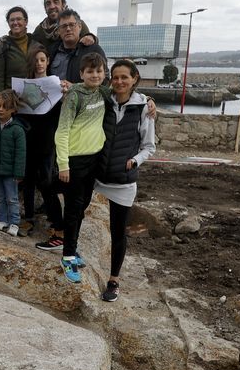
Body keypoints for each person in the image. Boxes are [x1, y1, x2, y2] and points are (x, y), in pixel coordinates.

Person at [95, 59, 155, 302]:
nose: (119, 82)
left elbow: (149, 146)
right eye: (115, 77)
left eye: (124, 77)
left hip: (123, 180)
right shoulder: (103, 100)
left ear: (135, 79)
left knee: (118, 231)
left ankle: (114, 280)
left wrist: (135, 160)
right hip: (97, 176)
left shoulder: (143, 108)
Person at [53, 51, 109, 284]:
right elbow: (62, 130)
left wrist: (150, 101)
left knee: (82, 206)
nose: (95, 75)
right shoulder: (75, 95)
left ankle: (72, 248)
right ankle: (67, 256)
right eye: (90, 71)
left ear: (104, 73)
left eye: (98, 71)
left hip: (94, 159)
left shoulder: (103, 92)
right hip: (74, 160)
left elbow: (127, 94)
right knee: (74, 209)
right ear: (81, 74)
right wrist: (63, 164)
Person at [22, 44, 58, 237]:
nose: (39, 64)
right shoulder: (24, 85)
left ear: (48, 62)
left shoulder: (55, 84)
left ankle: (53, 221)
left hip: (47, 138)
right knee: (27, 181)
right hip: (29, 137)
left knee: (46, 180)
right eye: (35, 61)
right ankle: (28, 218)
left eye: (42, 60)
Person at [0, 89, 27, 237]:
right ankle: (2, 220)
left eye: (4, 107)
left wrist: (19, 173)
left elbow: (21, 154)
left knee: (12, 198)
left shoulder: (17, 130)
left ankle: (14, 223)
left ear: (12, 109)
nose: (0, 109)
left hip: (11, 172)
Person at [47, 9, 106, 88]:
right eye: (64, 26)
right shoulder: (51, 51)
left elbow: (104, 81)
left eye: (72, 25)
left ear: (80, 26)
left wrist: (75, 89)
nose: (68, 29)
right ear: (58, 31)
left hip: (84, 100)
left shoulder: (93, 50)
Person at [0, 6, 32, 91]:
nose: (15, 22)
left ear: (26, 21)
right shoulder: (2, 46)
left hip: (34, 96)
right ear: (8, 23)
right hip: (12, 99)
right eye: (12, 20)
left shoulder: (34, 41)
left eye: (19, 19)